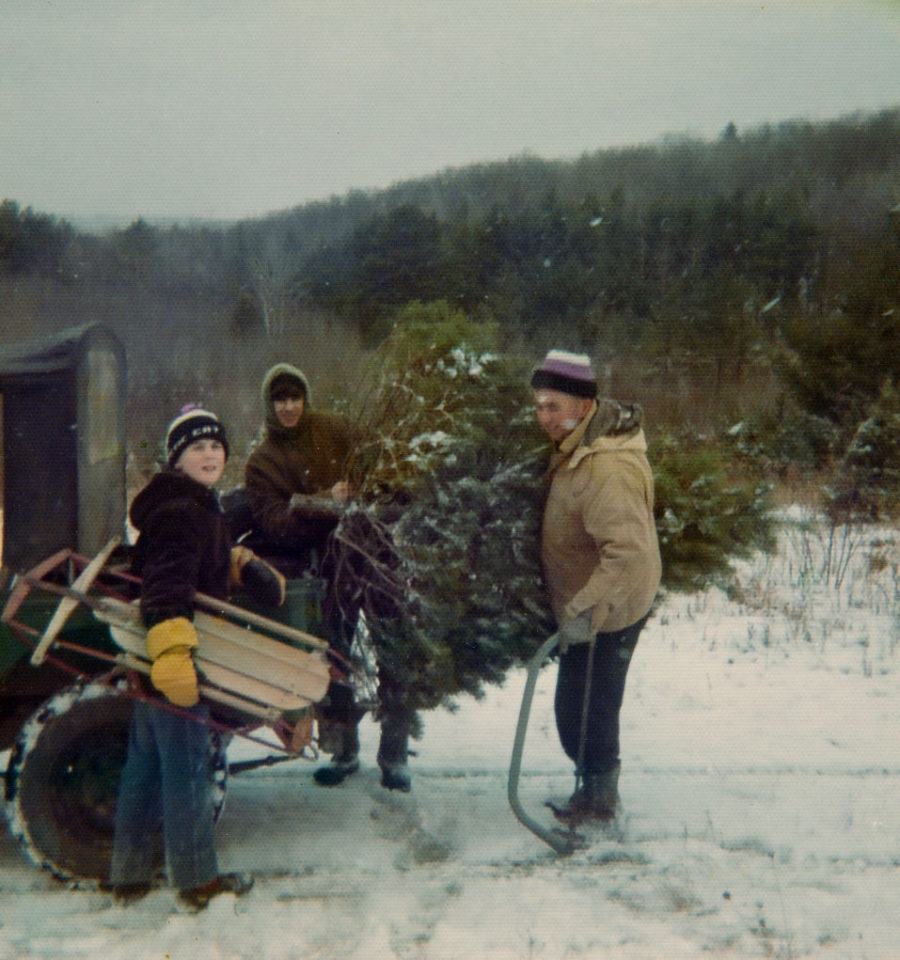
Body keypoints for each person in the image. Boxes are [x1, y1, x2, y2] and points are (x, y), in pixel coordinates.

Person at [110, 406, 281, 909]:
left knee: (144, 766)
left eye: (215, 446)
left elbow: (194, 561)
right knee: (187, 771)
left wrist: (236, 563)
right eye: (196, 448)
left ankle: (130, 873)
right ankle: (195, 881)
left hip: (151, 659)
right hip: (174, 658)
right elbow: (165, 587)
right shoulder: (182, 512)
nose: (209, 455)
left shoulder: (191, 504)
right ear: (177, 458)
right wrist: (175, 657)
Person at [244, 364, 413, 792]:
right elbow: (276, 523)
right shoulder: (262, 462)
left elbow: (380, 470)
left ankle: (395, 754)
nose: (289, 407)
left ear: (306, 398)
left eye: (295, 397)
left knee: (394, 648)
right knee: (334, 658)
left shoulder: (337, 429)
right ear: (269, 404)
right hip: (325, 567)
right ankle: (343, 750)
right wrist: (326, 502)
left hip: (376, 556)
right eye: (280, 399)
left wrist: (371, 490)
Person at [531, 350, 661, 825]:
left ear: (584, 406)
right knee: (578, 711)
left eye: (554, 406)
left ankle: (602, 805)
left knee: (589, 711)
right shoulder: (576, 448)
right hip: (588, 605)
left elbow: (627, 554)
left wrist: (583, 611)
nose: (544, 417)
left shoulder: (607, 467)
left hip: (611, 608)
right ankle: (593, 791)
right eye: (539, 406)